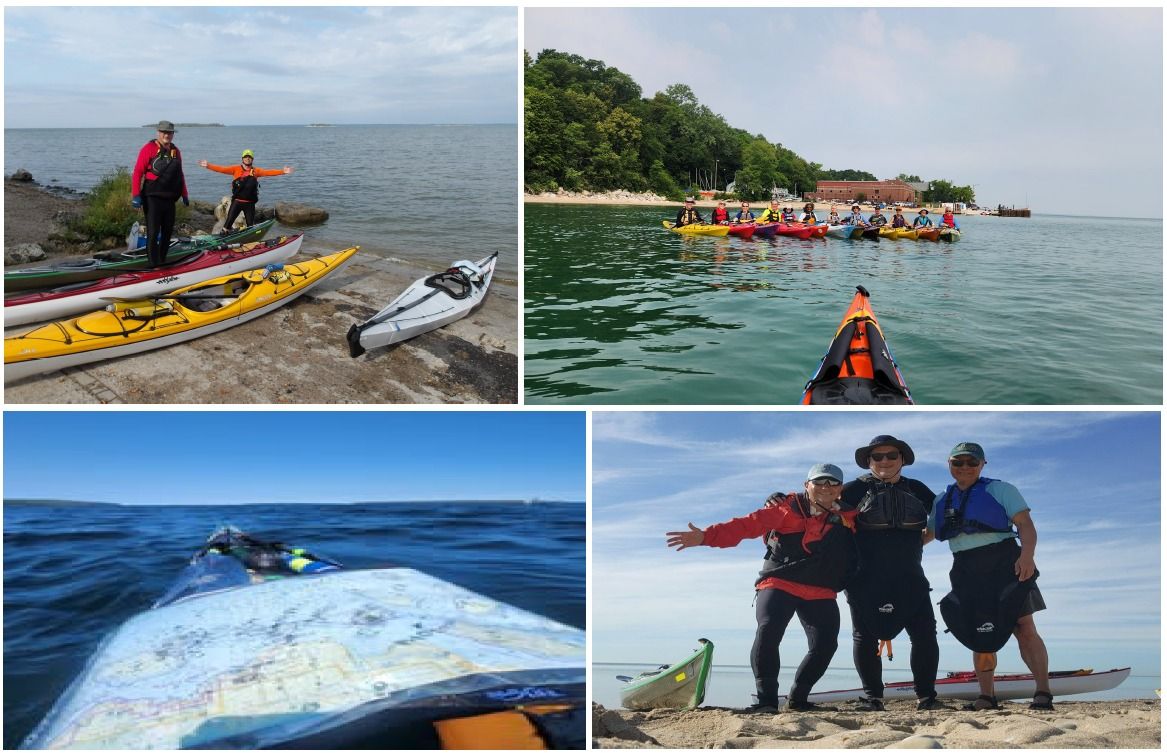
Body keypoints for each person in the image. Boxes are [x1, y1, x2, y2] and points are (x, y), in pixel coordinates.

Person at [666, 464, 858, 712]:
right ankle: (766, 700)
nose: (825, 488)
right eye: (819, 482)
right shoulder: (786, 509)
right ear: (806, 485)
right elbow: (746, 525)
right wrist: (705, 537)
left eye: (832, 483)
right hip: (779, 581)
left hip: (820, 589)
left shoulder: (848, 517)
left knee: (826, 645)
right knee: (769, 631)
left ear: (840, 489)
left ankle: (798, 700)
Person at [928, 442, 1052, 711]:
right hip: (964, 567)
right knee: (979, 632)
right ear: (949, 464)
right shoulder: (941, 500)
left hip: (1006, 563)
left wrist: (1027, 556)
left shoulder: (1000, 489)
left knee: (1024, 627)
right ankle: (986, 696)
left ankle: (1043, 691)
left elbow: (1025, 525)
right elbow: (926, 535)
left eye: (972, 462)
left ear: (983, 464)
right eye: (958, 462)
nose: (965, 468)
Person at [838, 436, 945, 711]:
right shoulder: (851, 491)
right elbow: (818, 502)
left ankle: (927, 698)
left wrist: (923, 539)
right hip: (864, 578)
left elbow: (944, 517)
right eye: (877, 457)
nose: (884, 461)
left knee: (924, 635)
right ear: (869, 461)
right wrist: (780, 499)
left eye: (891, 455)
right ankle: (873, 697)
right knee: (864, 637)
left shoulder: (917, 489)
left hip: (910, 576)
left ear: (902, 459)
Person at [131, 120, 189, 267]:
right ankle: (152, 264)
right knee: (153, 232)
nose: (167, 135)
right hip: (152, 197)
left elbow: (180, 174)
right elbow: (138, 172)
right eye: (164, 132)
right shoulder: (148, 148)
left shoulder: (176, 151)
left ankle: (162, 261)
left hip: (170, 198)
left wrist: (185, 194)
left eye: (170, 132)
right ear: (158, 133)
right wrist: (136, 195)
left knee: (168, 232)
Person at [199, 150, 293, 233]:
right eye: (246, 157)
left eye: (250, 157)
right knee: (227, 225)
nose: (247, 159)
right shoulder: (235, 169)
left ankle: (249, 241)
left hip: (250, 204)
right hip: (237, 202)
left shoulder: (256, 171)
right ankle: (224, 236)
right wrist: (208, 165)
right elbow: (222, 169)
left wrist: (282, 171)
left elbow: (268, 172)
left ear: (252, 159)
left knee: (250, 228)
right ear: (242, 158)